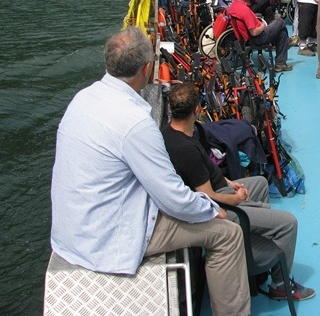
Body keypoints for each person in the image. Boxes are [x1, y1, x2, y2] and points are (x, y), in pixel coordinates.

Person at [51, 28, 250, 315]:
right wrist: (209, 208)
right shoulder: (135, 123)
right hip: (106, 238)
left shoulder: (83, 98)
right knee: (227, 234)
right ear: (147, 69)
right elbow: (173, 198)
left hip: (72, 230)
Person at [162, 83, 316, 301]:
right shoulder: (185, 149)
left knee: (260, 183)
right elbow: (208, 197)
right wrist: (236, 197)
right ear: (196, 109)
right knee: (288, 223)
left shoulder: (175, 132)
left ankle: (255, 257)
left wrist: (229, 181)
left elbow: (207, 169)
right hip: (219, 206)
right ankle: (280, 284)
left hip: (220, 187)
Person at [228, 0, 292, 72]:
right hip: (258, 38)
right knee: (280, 21)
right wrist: (263, 25)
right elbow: (254, 32)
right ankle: (283, 53)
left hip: (245, 39)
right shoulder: (244, 10)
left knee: (282, 33)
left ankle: (281, 63)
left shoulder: (233, 7)